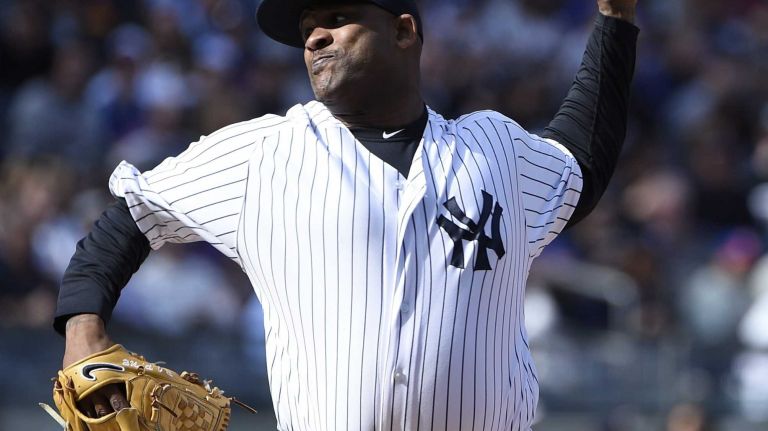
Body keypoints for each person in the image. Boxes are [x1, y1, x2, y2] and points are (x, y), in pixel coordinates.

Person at [54, 0, 639, 429]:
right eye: (308, 30)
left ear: (405, 30)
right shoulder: (264, 154)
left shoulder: (493, 150)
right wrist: (83, 333)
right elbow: (133, 214)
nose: (314, 39)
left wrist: (615, 20)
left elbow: (580, 161)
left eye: (335, 18)